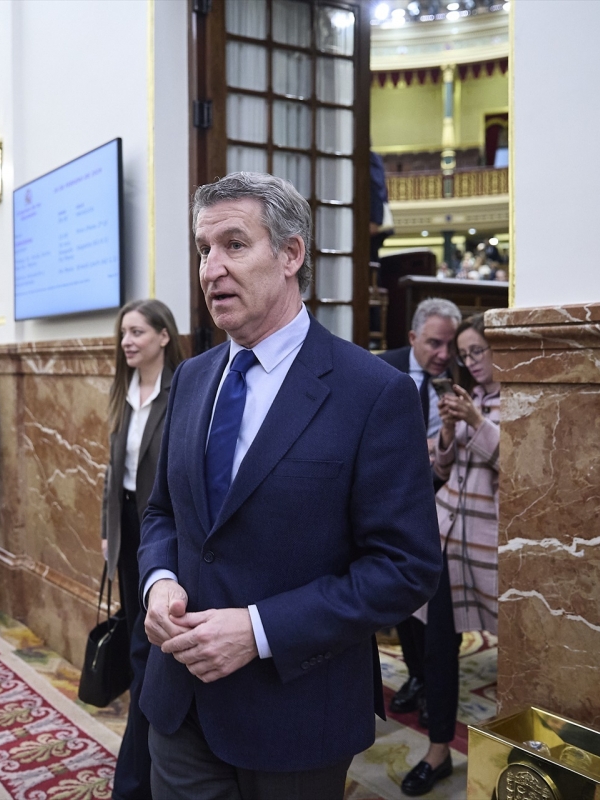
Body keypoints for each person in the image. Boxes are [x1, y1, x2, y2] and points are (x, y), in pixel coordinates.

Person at [138, 172, 441, 799]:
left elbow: (405, 568)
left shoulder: (372, 392)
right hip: (181, 708)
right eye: (203, 249)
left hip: (297, 718)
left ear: (291, 254)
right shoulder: (191, 379)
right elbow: (163, 514)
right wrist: (159, 581)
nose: (212, 268)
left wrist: (257, 629)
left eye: (234, 244)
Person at [401, 314, 501, 797]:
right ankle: (438, 751)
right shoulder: (470, 399)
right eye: (466, 355)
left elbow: (517, 460)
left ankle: (518, 754)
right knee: (439, 650)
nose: (470, 362)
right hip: (445, 542)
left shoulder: (522, 399)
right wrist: (446, 432)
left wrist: (477, 423)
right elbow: (441, 467)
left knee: (516, 651)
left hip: (490, 547)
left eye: (478, 351)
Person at [102, 299, 184, 800]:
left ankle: (139, 776)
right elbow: (114, 472)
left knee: (146, 648)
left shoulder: (182, 389)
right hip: (128, 524)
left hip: (162, 530)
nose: (127, 341)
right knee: (138, 640)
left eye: (136, 332)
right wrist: (108, 528)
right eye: (124, 334)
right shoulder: (124, 390)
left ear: (163, 336)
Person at [377, 296, 461, 717]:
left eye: (450, 345)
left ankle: (433, 684)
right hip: (391, 498)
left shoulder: (460, 378)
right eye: (433, 344)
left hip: (442, 499)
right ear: (413, 338)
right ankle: (414, 675)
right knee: (402, 595)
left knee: (436, 603)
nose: (443, 355)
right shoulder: (379, 368)